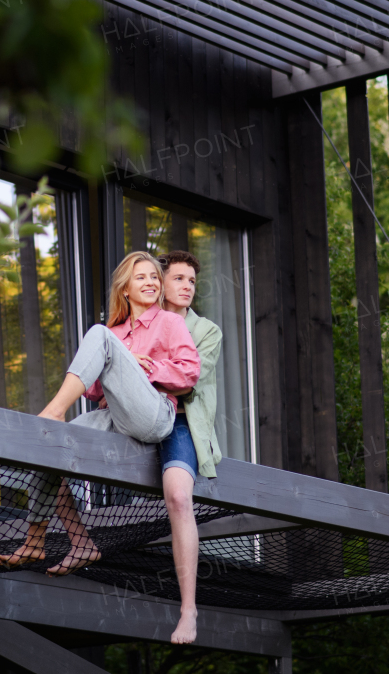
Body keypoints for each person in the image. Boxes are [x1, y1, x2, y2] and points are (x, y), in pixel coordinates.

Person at [0, 251, 200, 577]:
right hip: (116, 418)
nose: (150, 282)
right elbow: (92, 391)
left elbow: (189, 374)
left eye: (154, 277)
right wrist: (117, 367)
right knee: (52, 447)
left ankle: (54, 410)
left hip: (156, 415)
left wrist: (144, 369)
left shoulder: (170, 322)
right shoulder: (115, 332)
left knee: (98, 334)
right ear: (125, 289)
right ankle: (54, 541)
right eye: (141, 277)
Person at [156, 249, 223, 645]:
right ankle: (71, 538)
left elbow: (187, 378)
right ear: (159, 283)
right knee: (61, 446)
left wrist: (144, 369)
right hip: (135, 420)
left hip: (180, 423)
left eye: (191, 281)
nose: (186, 287)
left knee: (180, 499)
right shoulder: (139, 323)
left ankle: (188, 611)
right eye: (178, 278)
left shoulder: (207, 331)